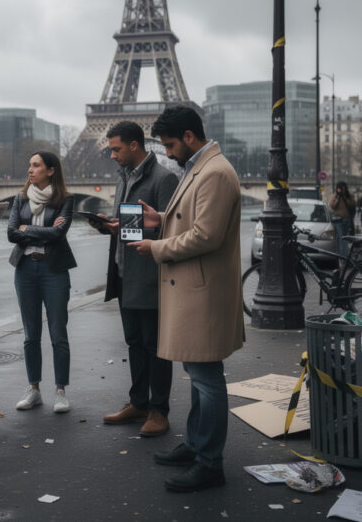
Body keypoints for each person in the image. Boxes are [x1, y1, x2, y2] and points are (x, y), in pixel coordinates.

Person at [127, 106, 244, 493]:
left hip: (202, 294)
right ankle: (197, 446)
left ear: (190, 137)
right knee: (198, 378)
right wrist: (159, 218)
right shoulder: (202, 168)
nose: (169, 152)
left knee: (207, 380)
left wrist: (157, 246)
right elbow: (193, 220)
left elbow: (206, 236)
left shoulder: (214, 172)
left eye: (171, 144)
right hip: (197, 291)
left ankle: (210, 463)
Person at [90, 121, 178, 437]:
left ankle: (159, 411)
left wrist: (128, 228)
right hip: (126, 275)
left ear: (134, 146)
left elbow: (170, 230)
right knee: (135, 344)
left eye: (116, 149)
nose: (112, 155)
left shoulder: (164, 179)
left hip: (150, 278)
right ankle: (138, 402)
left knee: (156, 347)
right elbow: (130, 227)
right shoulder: (124, 179)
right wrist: (110, 226)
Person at [8, 151, 77, 413]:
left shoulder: (64, 199)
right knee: (30, 335)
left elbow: (59, 234)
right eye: (30, 164)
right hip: (25, 270)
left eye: (36, 165)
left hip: (54, 270)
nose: (30, 169)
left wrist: (28, 230)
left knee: (59, 333)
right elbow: (12, 233)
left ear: (51, 170)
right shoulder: (20, 198)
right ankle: (33, 389)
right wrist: (40, 232)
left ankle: (60, 391)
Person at [329, 182, 356, 257]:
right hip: (338, 220)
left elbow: (353, 204)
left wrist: (345, 197)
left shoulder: (349, 195)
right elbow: (332, 206)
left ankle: (343, 255)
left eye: (344, 188)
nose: (342, 189)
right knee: (341, 237)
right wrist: (337, 198)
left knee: (345, 237)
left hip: (347, 219)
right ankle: (343, 256)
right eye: (341, 188)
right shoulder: (335, 195)